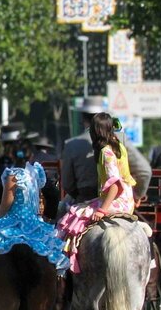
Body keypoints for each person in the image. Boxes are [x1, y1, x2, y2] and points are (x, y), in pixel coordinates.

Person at [0, 162, 69, 307]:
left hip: (13, 221)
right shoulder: (36, 173)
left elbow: (7, 202)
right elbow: (47, 197)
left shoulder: (14, 174)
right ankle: (57, 293)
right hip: (33, 223)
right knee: (51, 252)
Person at [57, 113, 139, 273]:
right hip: (126, 199)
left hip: (116, 200)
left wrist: (102, 211)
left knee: (72, 216)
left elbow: (115, 186)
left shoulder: (105, 153)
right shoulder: (118, 145)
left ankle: (63, 269)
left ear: (95, 131)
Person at [61, 97, 151, 205]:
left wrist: (81, 195)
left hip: (85, 201)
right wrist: (136, 196)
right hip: (119, 203)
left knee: (61, 215)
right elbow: (145, 172)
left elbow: (67, 184)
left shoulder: (71, 145)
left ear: (83, 118)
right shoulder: (120, 139)